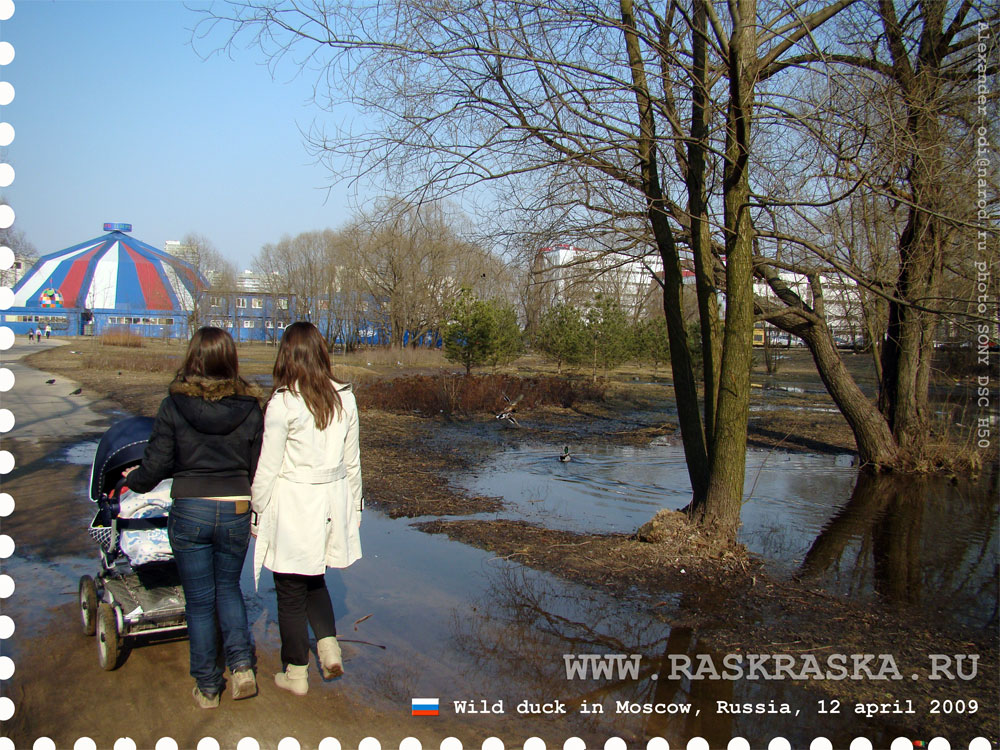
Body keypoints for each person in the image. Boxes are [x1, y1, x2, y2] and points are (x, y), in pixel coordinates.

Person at [124, 327, 264, 709]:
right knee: (229, 589)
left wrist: (132, 481)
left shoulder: (173, 406)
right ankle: (241, 667)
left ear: (193, 360)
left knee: (200, 602)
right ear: (230, 360)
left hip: (191, 508)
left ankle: (207, 688)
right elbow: (256, 466)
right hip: (236, 505)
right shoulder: (251, 407)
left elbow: (156, 466)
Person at [251, 321, 363, 696]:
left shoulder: (284, 403)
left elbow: (268, 466)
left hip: (295, 502)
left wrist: (256, 510)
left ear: (287, 355)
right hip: (332, 498)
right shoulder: (345, 397)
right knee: (314, 577)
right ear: (321, 352)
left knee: (288, 587)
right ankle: (329, 649)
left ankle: (296, 671)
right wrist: (355, 511)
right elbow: (353, 463)